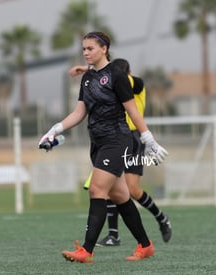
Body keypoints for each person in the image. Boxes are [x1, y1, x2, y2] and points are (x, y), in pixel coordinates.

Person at [39, 31, 168, 263]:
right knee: (120, 195)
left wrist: (148, 139)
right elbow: (80, 112)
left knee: (97, 190)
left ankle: (86, 250)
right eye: (84, 49)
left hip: (117, 140)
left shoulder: (117, 76)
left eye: (90, 48)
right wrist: (54, 129)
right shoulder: (88, 79)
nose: (86, 52)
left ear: (104, 49)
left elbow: (132, 111)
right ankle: (146, 246)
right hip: (98, 143)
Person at [69, 58, 172, 246]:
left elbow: (115, 77)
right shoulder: (112, 82)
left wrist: (89, 68)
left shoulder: (135, 83)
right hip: (114, 137)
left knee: (131, 189)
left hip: (133, 139)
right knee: (111, 187)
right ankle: (114, 235)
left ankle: (161, 218)